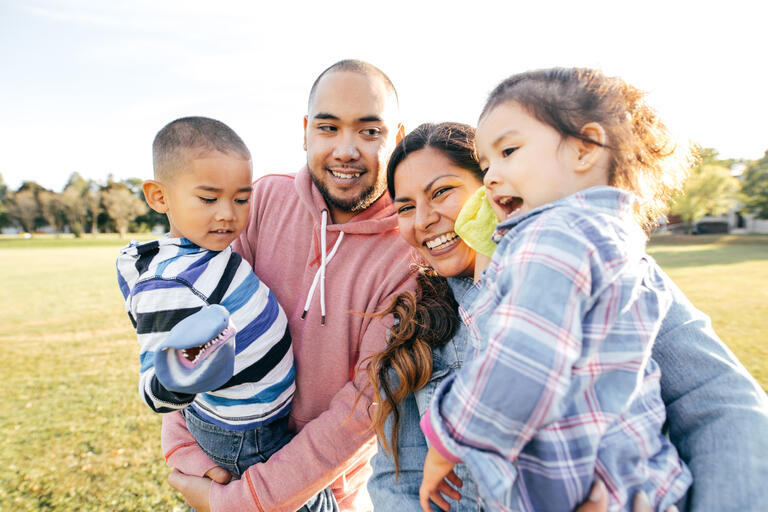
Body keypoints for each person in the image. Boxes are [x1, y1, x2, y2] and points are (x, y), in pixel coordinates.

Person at [366, 120, 768, 511]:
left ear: (492, 186)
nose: (423, 219)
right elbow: (398, 481)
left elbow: (720, 403)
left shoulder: (599, 266)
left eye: (441, 192)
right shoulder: (411, 326)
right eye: (406, 207)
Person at [418, 67, 693, 511]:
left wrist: (445, 439)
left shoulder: (551, 238)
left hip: (575, 482)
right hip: (636, 478)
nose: (489, 178)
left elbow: (519, 363)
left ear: (584, 148)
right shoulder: (620, 243)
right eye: (486, 165)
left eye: (508, 151)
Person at [162, 60, 415, 512]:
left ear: (396, 138)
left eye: (369, 131)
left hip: (323, 491)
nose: (345, 149)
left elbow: (362, 408)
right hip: (222, 461)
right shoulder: (262, 201)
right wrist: (185, 450)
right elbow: (193, 326)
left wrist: (244, 501)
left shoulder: (409, 254)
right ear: (305, 132)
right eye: (328, 127)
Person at [116, 116, 336, 511]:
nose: (227, 214)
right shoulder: (167, 286)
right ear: (160, 197)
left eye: (241, 199)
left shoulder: (204, 250)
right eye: (208, 198)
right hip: (243, 432)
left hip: (262, 419)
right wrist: (183, 375)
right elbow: (153, 383)